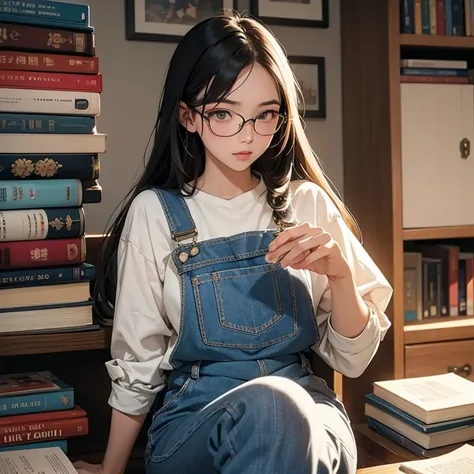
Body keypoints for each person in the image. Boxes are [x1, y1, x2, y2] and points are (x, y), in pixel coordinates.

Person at [74, 9, 392, 474]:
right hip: (194, 423)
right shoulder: (156, 213)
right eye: (224, 114)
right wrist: (111, 469)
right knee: (271, 409)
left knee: (283, 409)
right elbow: (137, 363)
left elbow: (353, 360)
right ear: (187, 116)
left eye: (266, 116)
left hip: (308, 416)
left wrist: (342, 277)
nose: (248, 135)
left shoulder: (307, 205)